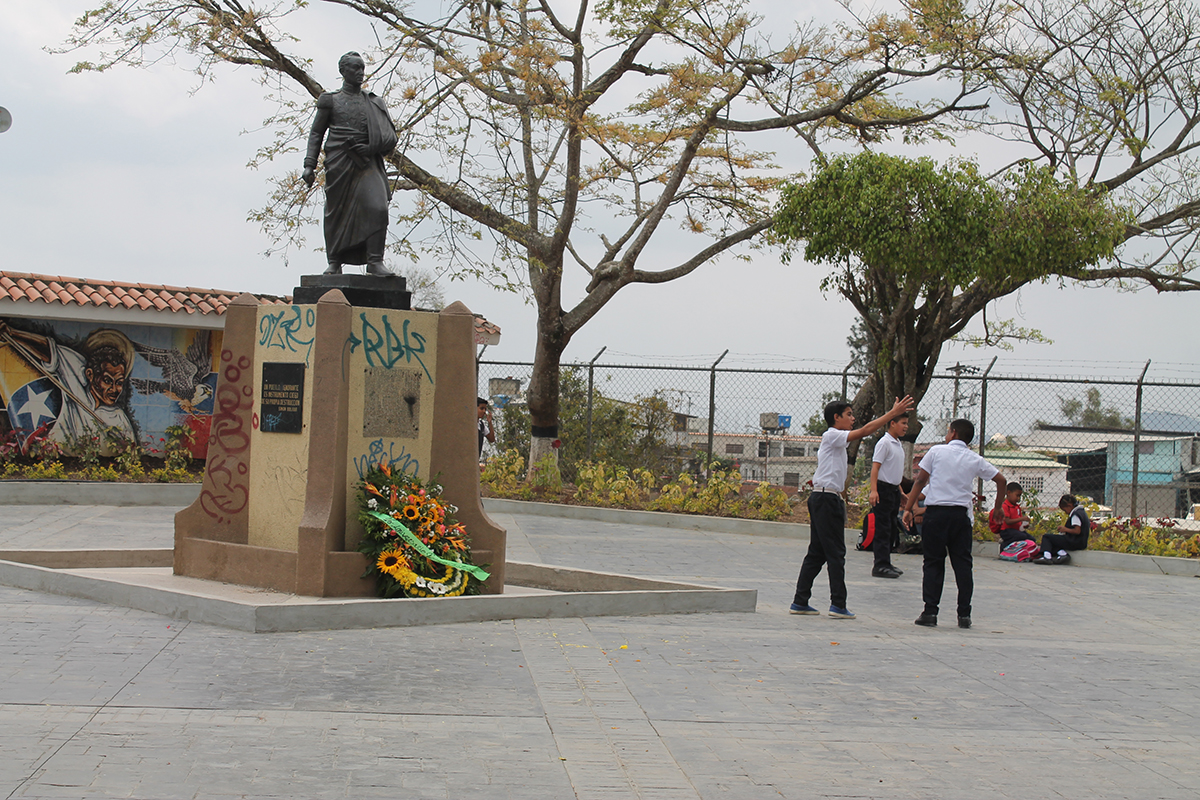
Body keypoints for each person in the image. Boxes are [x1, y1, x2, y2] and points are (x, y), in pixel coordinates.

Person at [790, 395, 914, 619]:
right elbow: (866, 430)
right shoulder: (832, 435)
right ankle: (838, 604)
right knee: (836, 553)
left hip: (827, 498)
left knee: (817, 553)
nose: (853, 418)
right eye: (848, 415)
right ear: (836, 418)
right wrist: (892, 413)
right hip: (825, 500)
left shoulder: (837, 439)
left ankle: (800, 600)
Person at [302, 51, 399, 277]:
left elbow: (389, 136)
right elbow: (316, 133)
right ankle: (334, 261)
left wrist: (371, 147)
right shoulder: (330, 100)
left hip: (368, 162)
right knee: (336, 212)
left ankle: (375, 261)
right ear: (343, 71)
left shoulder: (374, 102)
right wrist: (309, 165)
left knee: (378, 207)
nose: (360, 73)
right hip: (339, 162)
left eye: (362, 68)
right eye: (355, 68)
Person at [903, 419, 1006, 630]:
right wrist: (997, 507)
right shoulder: (974, 458)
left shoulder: (937, 451)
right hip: (960, 516)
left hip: (936, 514)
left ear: (953, 433)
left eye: (948, 431)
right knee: (963, 565)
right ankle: (964, 614)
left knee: (933, 562)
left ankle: (930, 612)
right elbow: (1002, 481)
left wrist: (908, 508)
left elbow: (921, 481)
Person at [0, 321, 137, 450]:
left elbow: (130, 452)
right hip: (56, 456)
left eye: (119, 383)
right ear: (90, 374)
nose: (114, 389)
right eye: (107, 380)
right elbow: (49, 348)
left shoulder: (119, 419)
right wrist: (13, 333)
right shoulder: (76, 371)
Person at [867, 413, 908, 578]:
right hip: (883, 490)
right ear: (892, 423)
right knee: (883, 528)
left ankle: (887, 561)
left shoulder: (897, 444)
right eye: (903, 423)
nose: (906, 426)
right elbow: (876, 468)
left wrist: (901, 491)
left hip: (893, 490)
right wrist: (874, 490)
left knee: (891, 528)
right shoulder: (884, 443)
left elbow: (893, 471)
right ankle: (880, 564)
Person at [1035, 495, 1090, 564]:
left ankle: (1047, 557)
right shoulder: (1081, 512)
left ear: (1069, 506)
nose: (1065, 512)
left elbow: (1077, 531)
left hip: (1074, 541)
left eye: (1064, 510)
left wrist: (1065, 529)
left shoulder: (1075, 515)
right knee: (1054, 541)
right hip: (1081, 542)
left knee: (1047, 537)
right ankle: (1063, 554)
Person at [996, 482, 1035, 549]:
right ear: (1009, 493)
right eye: (1017, 495)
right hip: (1006, 531)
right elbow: (1007, 521)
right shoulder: (1005, 506)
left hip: (1016, 530)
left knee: (1031, 539)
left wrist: (1024, 524)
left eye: (1020, 496)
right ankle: (1004, 545)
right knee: (1021, 536)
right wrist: (1021, 519)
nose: (1018, 498)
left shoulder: (1017, 507)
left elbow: (1019, 520)